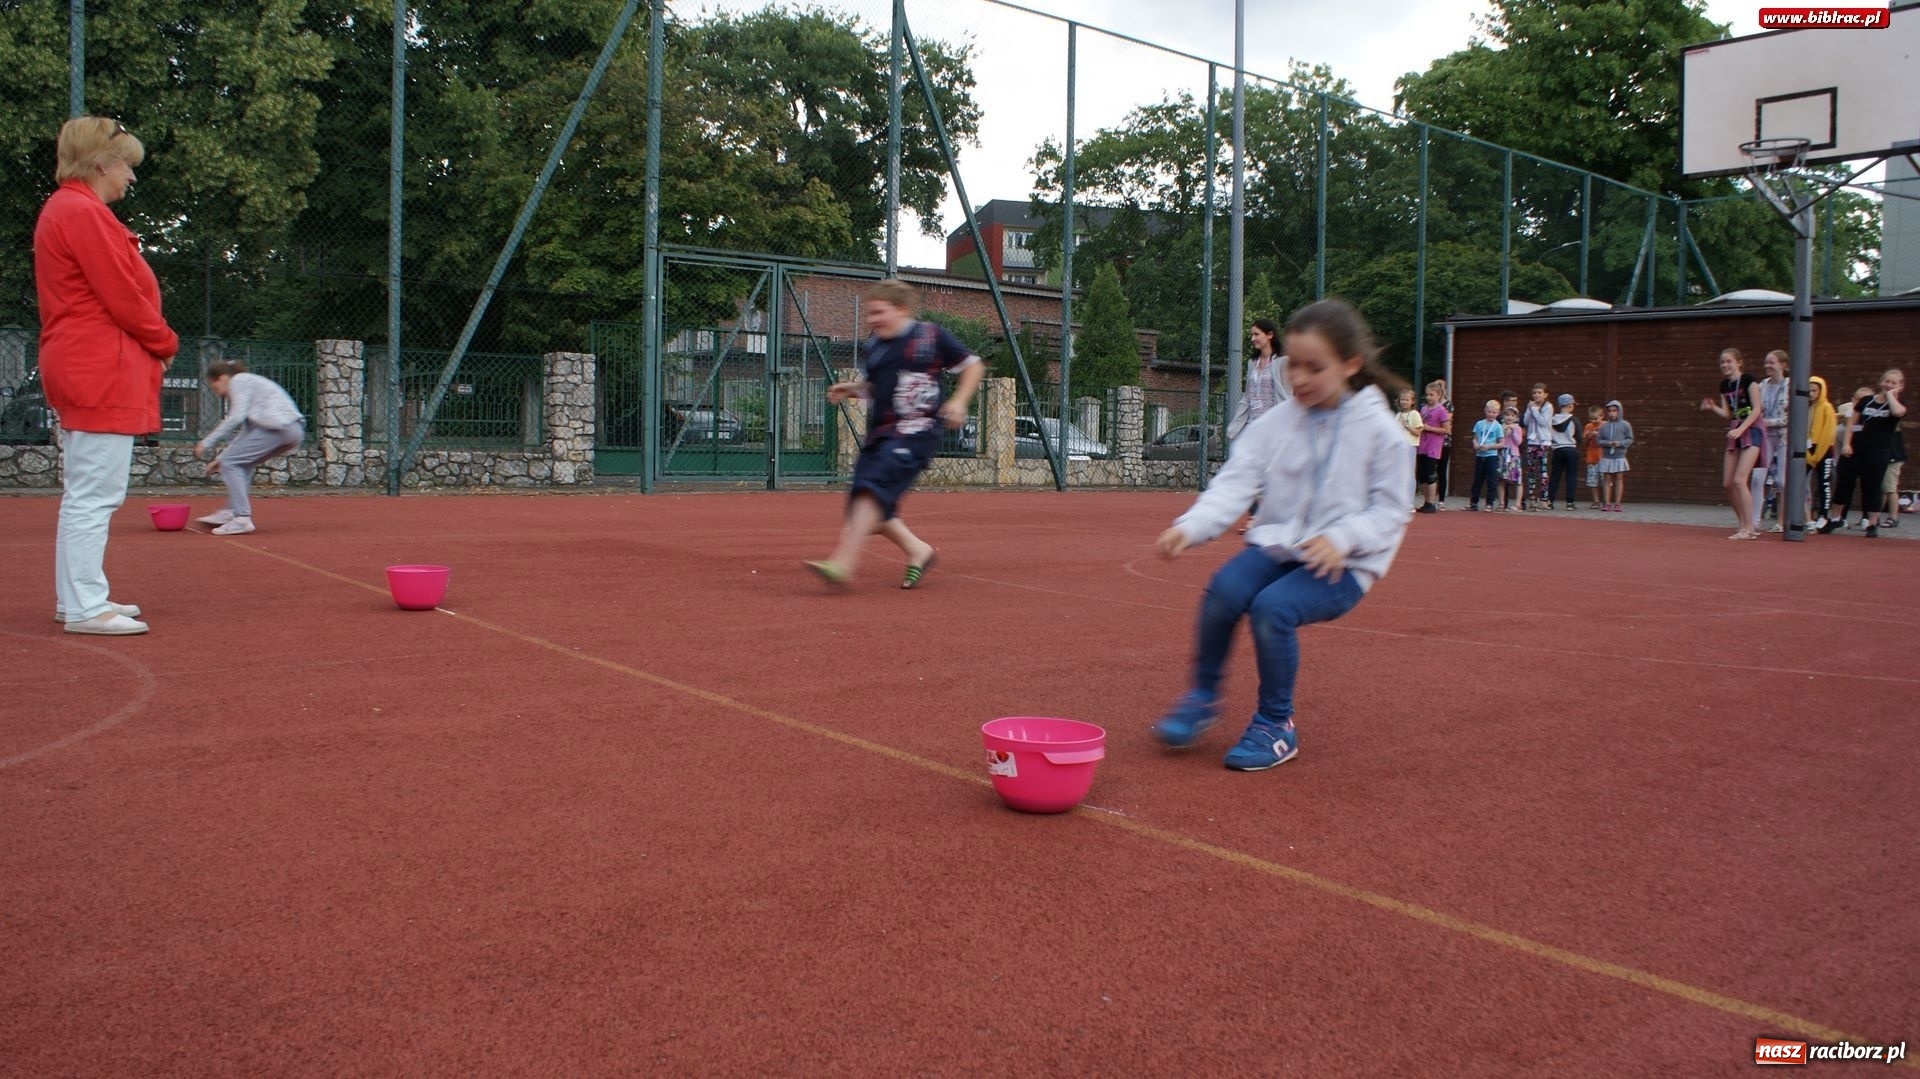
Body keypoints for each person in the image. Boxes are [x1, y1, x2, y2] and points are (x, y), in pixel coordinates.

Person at [1149, 299, 1412, 771]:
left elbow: (1391, 510)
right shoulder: (1276, 424)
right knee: (1225, 590)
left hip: (1346, 562)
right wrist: (1191, 526)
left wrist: (1345, 537)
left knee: (1273, 609)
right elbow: (1235, 482)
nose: (1301, 379)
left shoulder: (1381, 432)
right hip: (1281, 542)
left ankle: (1276, 725)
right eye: (1295, 366)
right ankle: (1202, 696)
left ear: (1350, 364)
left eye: (1316, 367)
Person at [36, 117, 178, 636]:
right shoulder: (82, 212)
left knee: (88, 491)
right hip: (98, 367)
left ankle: (78, 596)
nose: (130, 177)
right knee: (94, 493)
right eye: (126, 166)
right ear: (100, 164)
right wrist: (165, 343)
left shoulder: (71, 210)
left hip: (90, 364)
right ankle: (84, 606)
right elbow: (123, 296)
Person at [806, 280, 983, 587]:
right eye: (870, 314)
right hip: (881, 434)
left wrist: (958, 400)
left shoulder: (930, 335)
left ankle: (842, 563)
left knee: (871, 492)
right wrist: (853, 389)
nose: (873, 320)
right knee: (867, 510)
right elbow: (878, 386)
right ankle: (919, 551)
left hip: (916, 433)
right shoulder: (875, 346)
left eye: (879, 312)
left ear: (901, 310)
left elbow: (973, 365)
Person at [192, 360, 306, 535]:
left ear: (222, 378)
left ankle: (241, 518)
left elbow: (235, 418)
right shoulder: (249, 385)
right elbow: (246, 432)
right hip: (292, 430)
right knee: (241, 464)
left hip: (277, 428)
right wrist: (221, 459)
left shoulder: (238, 381)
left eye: (215, 388)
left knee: (232, 464)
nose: (217, 394)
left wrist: (206, 442)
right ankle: (231, 512)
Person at [1831, 368, 1906, 538]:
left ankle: (1872, 523)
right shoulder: (1865, 400)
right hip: (1857, 447)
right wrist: (1847, 444)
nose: (1889, 385)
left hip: (1879, 450)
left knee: (1872, 486)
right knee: (1844, 482)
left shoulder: (1897, 404)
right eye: (1887, 381)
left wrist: (1891, 395)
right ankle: (1835, 518)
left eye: (1894, 383)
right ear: (1881, 382)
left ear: (1900, 386)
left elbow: (1898, 413)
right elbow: (1851, 423)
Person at [1699, 348, 1765, 540]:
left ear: (1739, 362)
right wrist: (1713, 408)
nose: (1725, 365)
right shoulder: (1725, 385)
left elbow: (1757, 409)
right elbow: (1728, 413)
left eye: (1729, 361)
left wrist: (1741, 429)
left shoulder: (1748, 380)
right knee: (1727, 483)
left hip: (1751, 431)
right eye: (1722, 362)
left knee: (1739, 480)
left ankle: (1749, 527)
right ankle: (1743, 523)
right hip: (1734, 431)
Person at [1821, 386, 1874, 533]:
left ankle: (1867, 518)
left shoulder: (1874, 417)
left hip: (1869, 454)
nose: (1862, 403)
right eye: (1858, 399)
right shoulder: (1849, 417)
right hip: (1849, 454)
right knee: (1844, 485)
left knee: (1868, 486)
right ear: (1853, 400)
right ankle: (1839, 517)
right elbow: (1845, 427)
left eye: (1866, 400)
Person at [1757, 350, 1790, 531]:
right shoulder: (1762, 385)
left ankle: (1782, 521)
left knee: (1782, 480)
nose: (1767, 366)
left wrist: (1764, 421)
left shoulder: (1789, 385)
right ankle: (1754, 520)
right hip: (1765, 436)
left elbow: (1787, 418)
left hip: (1783, 436)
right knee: (1758, 476)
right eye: (1766, 363)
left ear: (1783, 365)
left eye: (1772, 363)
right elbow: (1756, 408)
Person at [1804, 375, 1836, 531]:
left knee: (1824, 482)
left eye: (1814, 391)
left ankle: (1824, 515)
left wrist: (1817, 455)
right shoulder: (1806, 408)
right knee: (1799, 482)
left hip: (1823, 449)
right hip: (1807, 449)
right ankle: (1804, 514)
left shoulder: (1827, 408)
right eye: (1809, 391)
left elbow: (1828, 433)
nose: (1811, 394)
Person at [1415, 380, 1449, 513]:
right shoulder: (1423, 408)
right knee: (1421, 475)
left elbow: (1447, 430)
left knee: (1430, 474)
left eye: (1432, 395)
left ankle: (1431, 502)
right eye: (1427, 395)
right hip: (1422, 444)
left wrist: (1430, 428)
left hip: (1433, 446)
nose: (1428, 397)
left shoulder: (1441, 411)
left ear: (1439, 395)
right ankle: (1426, 501)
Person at [1521, 383, 1554, 510]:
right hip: (1532, 441)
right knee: (1530, 470)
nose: (1536, 395)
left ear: (1545, 395)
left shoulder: (1548, 407)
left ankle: (1544, 498)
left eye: (1539, 392)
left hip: (1543, 442)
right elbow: (1525, 421)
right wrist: (1530, 410)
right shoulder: (1530, 406)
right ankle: (1532, 498)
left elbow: (1543, 422)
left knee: (1543, 471)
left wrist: (1534, 409)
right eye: (1534, 393)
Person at [1596, 399, 1633, 511]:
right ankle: (1607, 503)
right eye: (1610, 411)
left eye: (1614, 411)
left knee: (1619, 478)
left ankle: (1617, 503)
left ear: (1619, 411)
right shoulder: (1604, 426)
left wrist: (1620, 443)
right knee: (1606, 479)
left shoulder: (1625, 425)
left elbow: (1629, 439)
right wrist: (1608, 443)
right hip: (1607, 456)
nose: (1612, 413)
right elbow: (1599, 440)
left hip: (1619, 455)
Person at [1547, 392, 1581, 511]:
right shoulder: (1574, 420)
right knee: (1571, 476)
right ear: (1569, 405)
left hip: (1557, 449)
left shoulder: (1552, 420)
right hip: (1571, 449)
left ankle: (1550, 501)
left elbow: (1549, 435)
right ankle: (1570, 502)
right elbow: (1579, 437)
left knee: (1555, 476)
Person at [1469, 400, 1502, 511]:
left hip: (1491, 456)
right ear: (1485, 411)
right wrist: (1475, 444)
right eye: (1489, 412)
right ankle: (1473, 502)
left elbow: (1502, 443)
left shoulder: (1498, 426)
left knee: (1491, 481)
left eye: (1494, 412)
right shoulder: (1479, 424)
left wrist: (1489, 447)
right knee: (1477, 480)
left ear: (1498, 413)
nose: (1491, 414)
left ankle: (1489, 503)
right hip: (1480, 456)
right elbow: (1475, 438)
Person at [1497, 406, 1523, 511]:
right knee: (1501, 479)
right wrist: (1503, 431)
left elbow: (1518, 442)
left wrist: (1512, 432)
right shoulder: (1499, 427)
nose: (1509, 418)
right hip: (1502, 455)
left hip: (1514, 455)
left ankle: (1518, 503)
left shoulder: (1517, 428)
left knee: (1518, 480)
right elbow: (1498, 440)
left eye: (1512, 415)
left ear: (1516, 417)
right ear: (1503, 416)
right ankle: (1501, 503)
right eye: (1507, 415)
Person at [1581, 403, 1604, 509]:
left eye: (1595, 418)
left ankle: (1606, 499)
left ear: (1601, 416)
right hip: (1592, 457)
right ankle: (1596, 501)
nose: (1593, 421)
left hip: (1604, 457)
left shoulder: (1605, 425)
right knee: (1593, 481)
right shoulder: (1588, 426)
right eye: (1591, 419)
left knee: (1605, 480)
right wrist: (1589, 436)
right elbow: (1584, 442)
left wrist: (1599, 434)